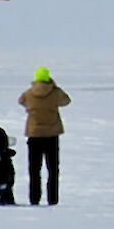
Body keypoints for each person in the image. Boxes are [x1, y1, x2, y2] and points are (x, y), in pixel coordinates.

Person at [18, 66, 71, 206]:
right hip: (51, 135)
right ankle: (52, 199)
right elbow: (66, 101)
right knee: (53, 170)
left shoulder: (29, 93)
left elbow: (21, 101)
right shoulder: (55, 93)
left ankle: (34, 199)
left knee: (34, 170)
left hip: (34, 135)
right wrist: (54, 87)